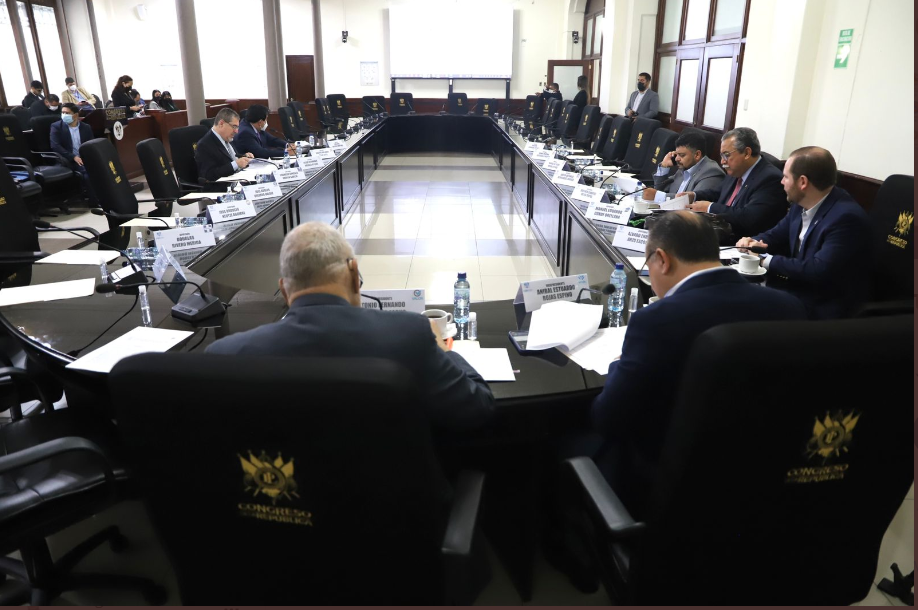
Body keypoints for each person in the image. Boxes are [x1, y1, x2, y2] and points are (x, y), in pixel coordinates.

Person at [591, 211, 806, 517]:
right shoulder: (788, 307)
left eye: (647, 262)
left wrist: (618, 365)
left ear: (662, 259)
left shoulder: (655, 321)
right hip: (760, 482)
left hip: (667, 487)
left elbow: (607, 419)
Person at [205, 221, 495, 432]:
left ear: (283, 289)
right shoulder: (409, 336)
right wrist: (439, 348)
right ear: (354, 274)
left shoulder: (226, 356)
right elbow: (477, 409)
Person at [735, 146, 870, 320]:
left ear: (803, 182)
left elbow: (818, 270)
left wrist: (764, 259)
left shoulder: (846, 218)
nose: (781, 182)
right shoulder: (800, 204)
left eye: (785, 177)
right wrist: (752, 241)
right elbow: (776, 234)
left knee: (744, 310)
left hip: (823, 307)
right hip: (797, 290)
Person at [680, 127, 787, 240]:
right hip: (720, 232)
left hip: (743, 243)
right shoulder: (737, 170)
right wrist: (694, 195)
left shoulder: (770, 178)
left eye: (727, 155)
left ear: (746, 153)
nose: (722, 161)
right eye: (721, 156)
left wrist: (710, 207)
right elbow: (717, 193)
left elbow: (749, 217)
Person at [644, 130, 724, 202]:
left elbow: (693, 202)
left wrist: (659, 196)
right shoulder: (684, 168)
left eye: (681, 155)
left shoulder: (711, 172)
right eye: (676, 154)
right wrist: (664, 167)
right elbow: (659, 190)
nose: (676, 159)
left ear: (697, 155)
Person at [50, 103, 98, 207]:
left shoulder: (85, 127)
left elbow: (91, 143)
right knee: (88, 173)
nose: (64, 115)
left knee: (102, 168)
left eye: (67, 113)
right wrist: (73, 157)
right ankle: (94, 202)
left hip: (84, 158)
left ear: (75, 115)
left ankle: (107, 197)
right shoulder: (56, 126)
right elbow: (55, 146)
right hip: (67, 159)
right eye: (62, 113)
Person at [194, 107, 253, 183]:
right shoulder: (205, 145)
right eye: (234, 127)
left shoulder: (227, 137)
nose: (236, 131)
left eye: (237, 127)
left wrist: (243, 157)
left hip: (237, 180)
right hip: (221, 187)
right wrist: (236, 164)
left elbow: (229, 158)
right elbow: (209, 175)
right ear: (221, 123)